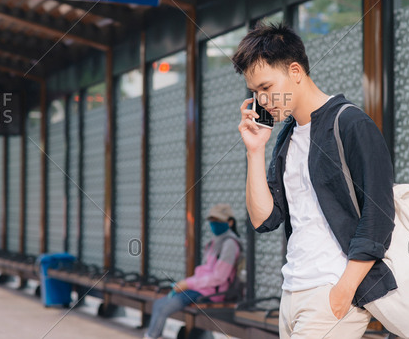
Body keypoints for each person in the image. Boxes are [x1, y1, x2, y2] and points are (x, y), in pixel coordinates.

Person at [234, 22, 396, 338]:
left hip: (331, 292)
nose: (262, 101)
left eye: (266, 88)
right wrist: (255, 151)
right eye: (255, 93)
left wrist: (343, 291)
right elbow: (264, 219)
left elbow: (379, 217)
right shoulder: (286, 138)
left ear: (295, 71)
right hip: (292, 291)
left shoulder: (351, 123)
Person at [144, 203, 242, 339]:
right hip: (200, 289)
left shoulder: (230, 244)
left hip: (212, 293)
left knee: (164, 307)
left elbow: (219, 277)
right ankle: (152, 335)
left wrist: (187, 284)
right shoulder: (214, 242)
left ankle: (151, 336)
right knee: (158, 304)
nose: (214, 224)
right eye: (212, 221)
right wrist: (185, 283)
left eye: (219, 221)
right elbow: (204, 271)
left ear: (230, 222)